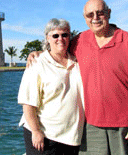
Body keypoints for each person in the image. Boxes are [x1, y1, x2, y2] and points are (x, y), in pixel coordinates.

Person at [27, 0, 128, 155]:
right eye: (90, 15)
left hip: (126, 124)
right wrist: (39, 54)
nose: (95, 18)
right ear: (84, 18)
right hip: (91, 127)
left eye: (100, 13)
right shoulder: (79, 41)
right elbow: (59, 47)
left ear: (109, 13)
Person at [18, 18, 85, 155]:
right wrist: (36, 131)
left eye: (65, 35)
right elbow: (28, 103)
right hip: (45, 137)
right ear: (47, 38)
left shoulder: (77, 62)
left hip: (72, 138)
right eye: (55, 35)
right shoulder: (37, 63)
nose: (60, 39)